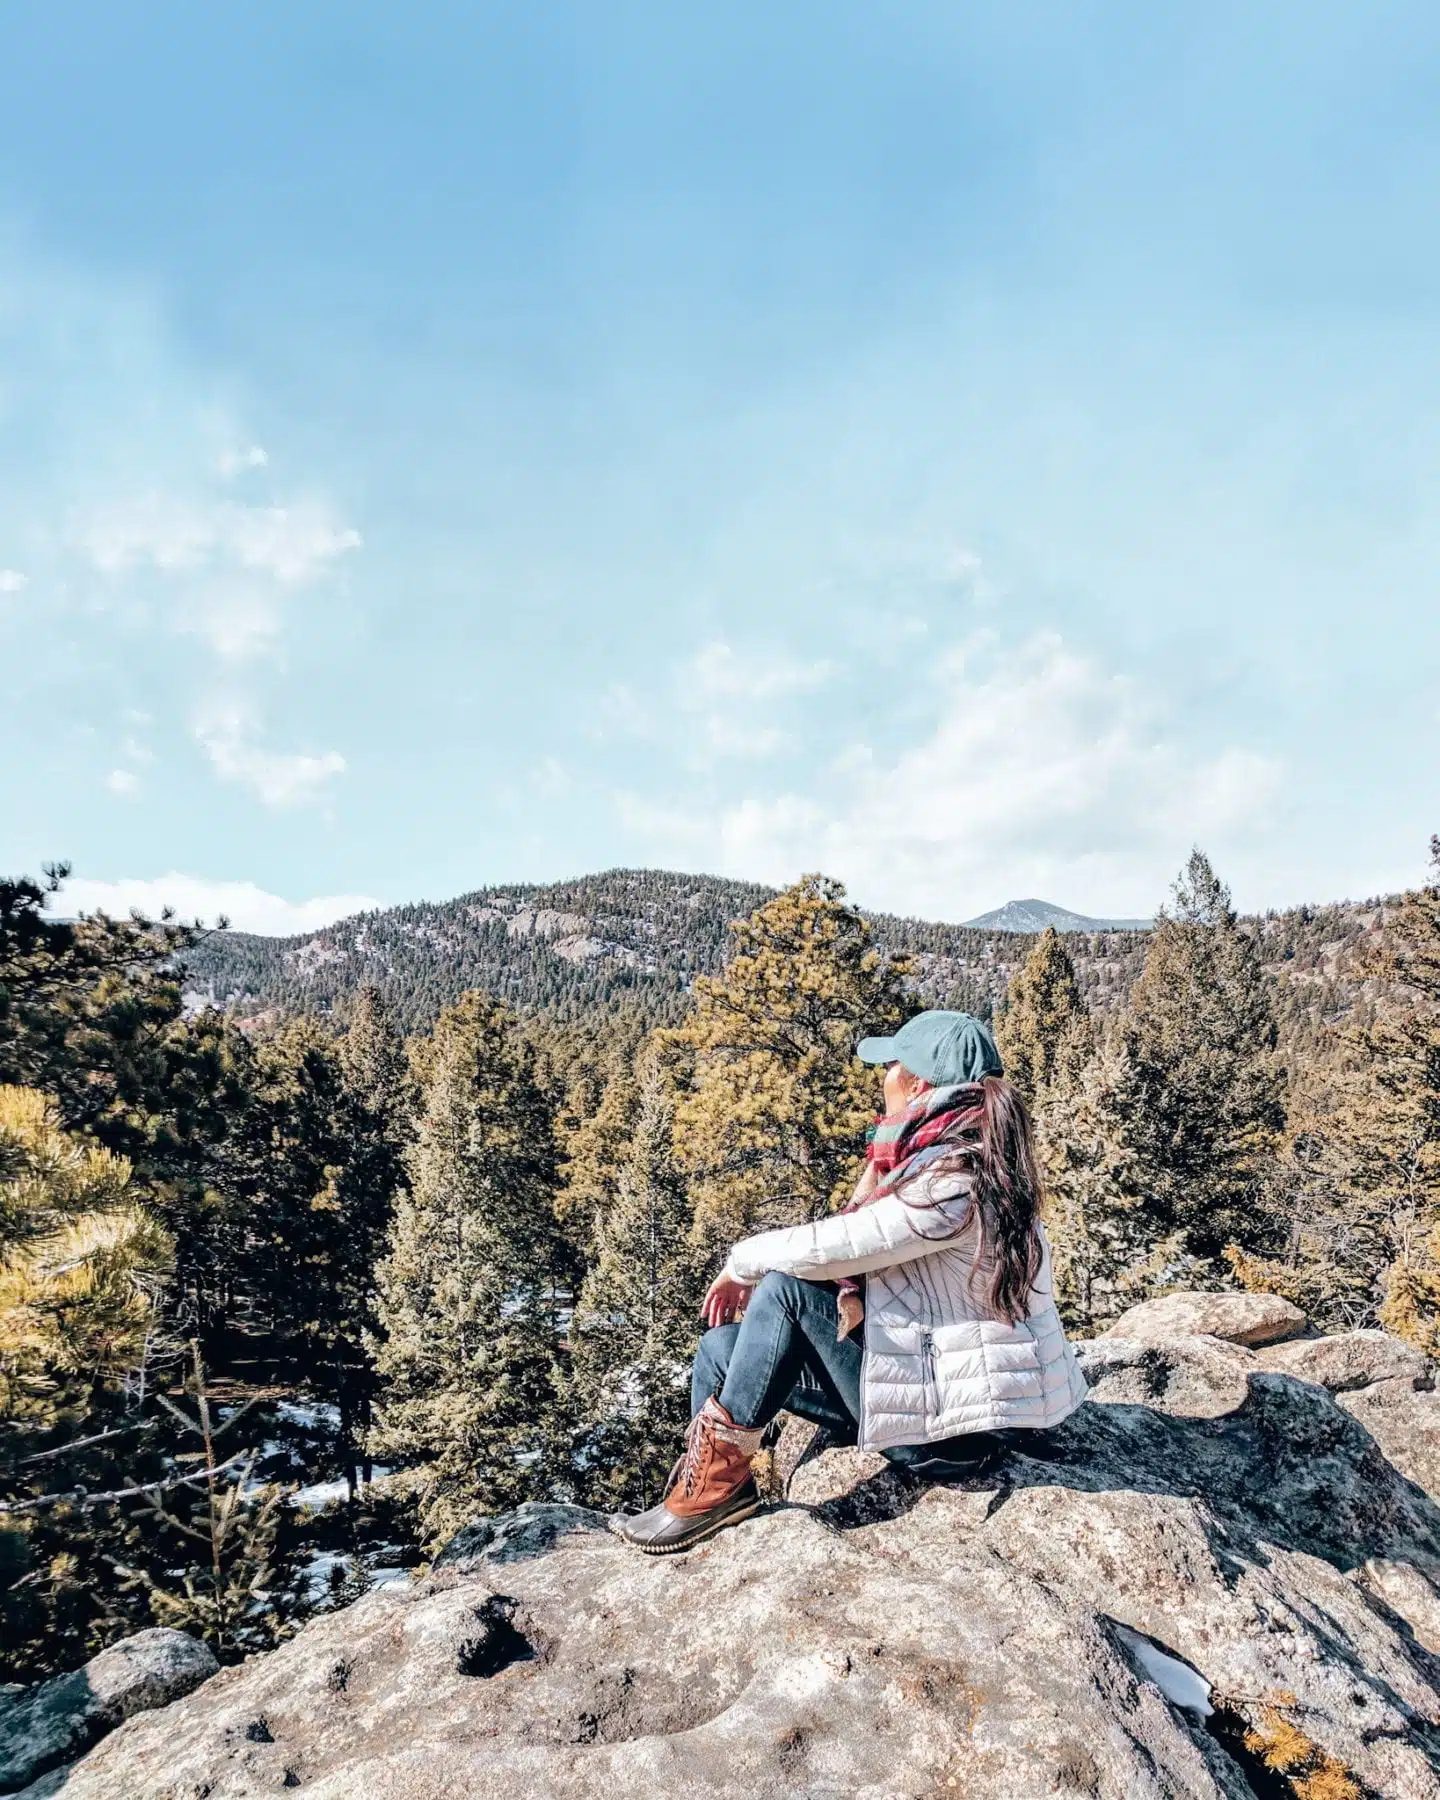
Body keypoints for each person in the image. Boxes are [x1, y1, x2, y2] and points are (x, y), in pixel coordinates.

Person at [612, 1009, 1087, 1554]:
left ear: (919, 1085)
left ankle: (711, 1494)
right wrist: (881, 1165)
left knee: (785, 1292)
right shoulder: (953, 1158)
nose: (881, 1076)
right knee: (721, 1348)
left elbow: (838, 1246)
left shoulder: (956, 1183)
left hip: (965, 1434)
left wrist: (739, 1263)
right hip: (936, 1393)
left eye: (890, 1065)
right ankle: (715, 1485)